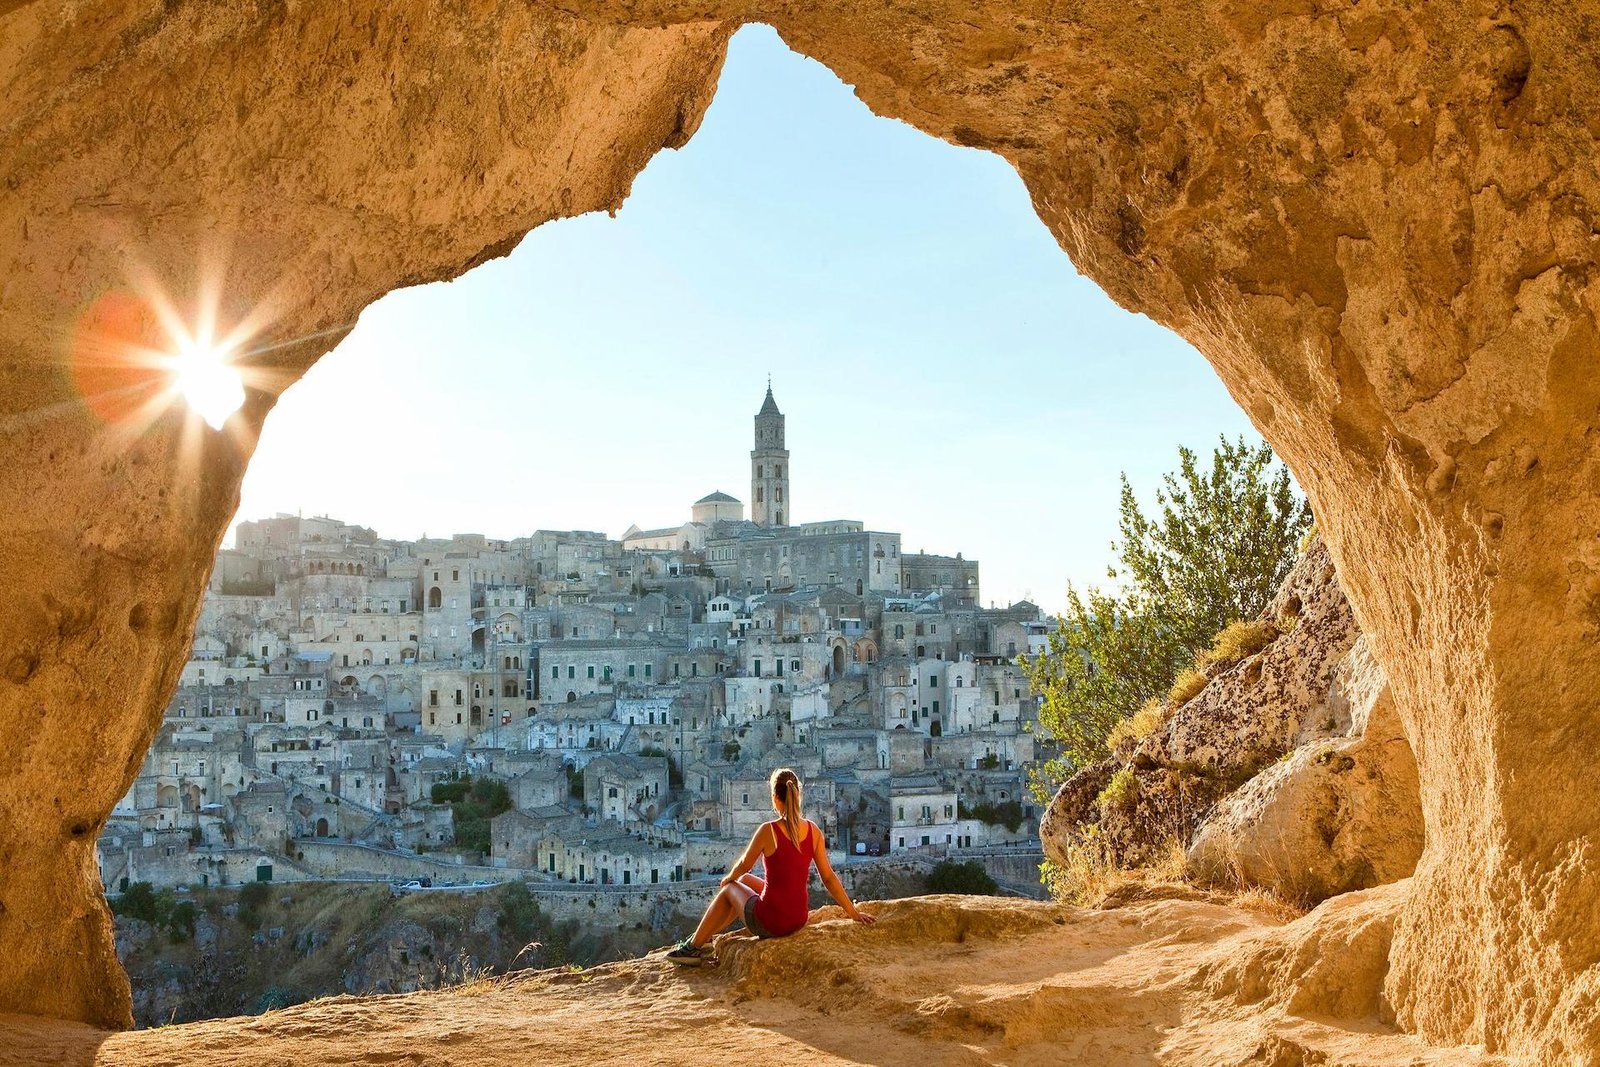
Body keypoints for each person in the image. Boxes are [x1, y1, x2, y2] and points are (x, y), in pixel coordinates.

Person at [667, 767, 874, 965]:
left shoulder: (769, 830)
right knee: (744, 881)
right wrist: (853, 913)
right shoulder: (814, 831)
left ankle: (692, 947)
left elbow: (743, 864)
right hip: (798, 919)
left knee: (731, 887)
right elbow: (828, 878)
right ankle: (703, 938)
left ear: (775, 798)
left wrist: (728, 878)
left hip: (772, 923)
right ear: (797, 795)